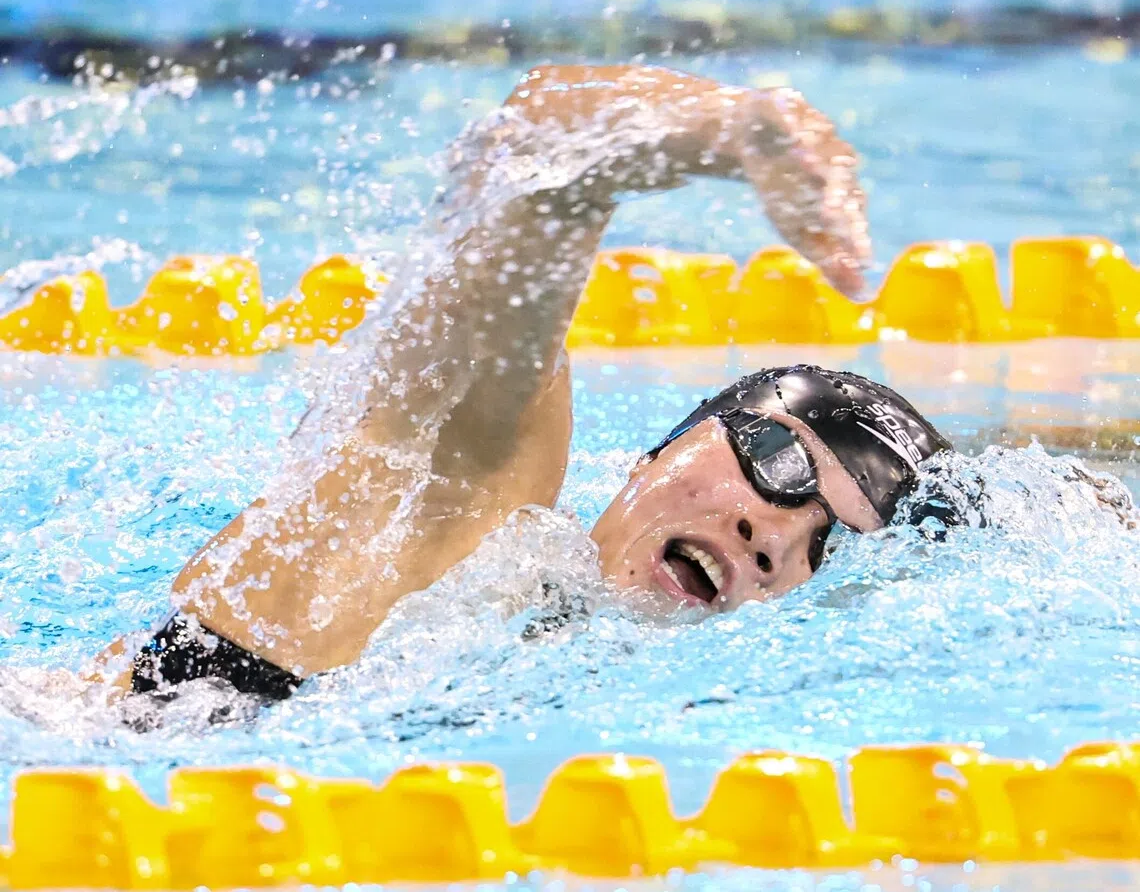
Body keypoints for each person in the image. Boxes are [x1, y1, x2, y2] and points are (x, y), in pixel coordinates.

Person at [87, 63, 951, 705]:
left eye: (827, 544)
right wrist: (728, 132)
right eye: (782, 465)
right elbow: (529, 157)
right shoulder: (470, 505)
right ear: (665, 448)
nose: (775, 538)